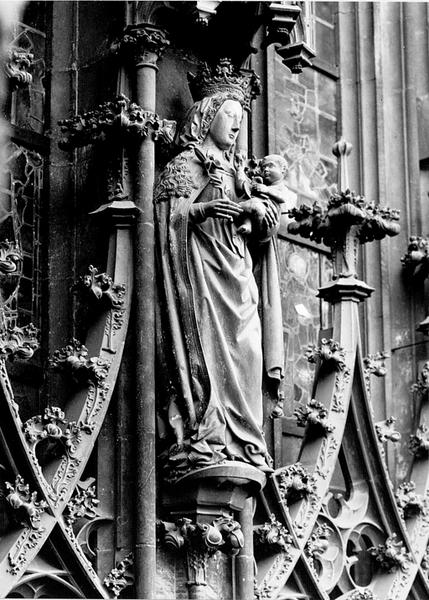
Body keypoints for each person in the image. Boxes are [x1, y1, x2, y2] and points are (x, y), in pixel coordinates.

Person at [154, 65, 284, 480]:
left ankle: (244, 439)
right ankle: (207, 432)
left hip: (238, 275)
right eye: (231, 116)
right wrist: (203, 209)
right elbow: (164, 220)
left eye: (242, 120)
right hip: (201, 278)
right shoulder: (185, 165)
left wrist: (258, 214)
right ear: (209, 117)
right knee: (209, 352)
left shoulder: (240, 173)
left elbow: (266, 225)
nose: (237, 126)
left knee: (247, 349)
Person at [235, 154, 297, 235]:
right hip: (255, 214)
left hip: (269, 223)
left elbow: (282, 198)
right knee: (251, 205)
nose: (265, 170)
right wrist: (240, 169)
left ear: (283, 169)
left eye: (270, 166)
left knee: (254, 205)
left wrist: (267, 190)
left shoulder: (284, 190)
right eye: (263, 167)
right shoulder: (260, 183)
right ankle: (247, 225)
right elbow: (241, 188)